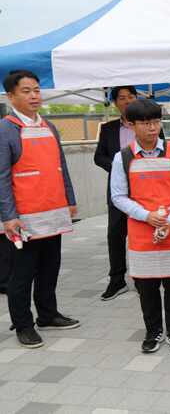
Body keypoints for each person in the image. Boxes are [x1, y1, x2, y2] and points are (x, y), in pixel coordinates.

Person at [0, 70, 80, 348]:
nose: (34, 95)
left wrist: (70, 199)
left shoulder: (49, 126)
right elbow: (1, 176)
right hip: (24, 219)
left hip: (53, 211)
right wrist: (8, 216)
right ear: (11, 96)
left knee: (50, 268)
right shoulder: (6, 129)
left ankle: (48, 314)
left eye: (36, 89)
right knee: (21, 275)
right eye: (26, 91)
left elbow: (61, 166)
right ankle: (23, 324)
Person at [110, 99, 170, 354]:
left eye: (156, 122)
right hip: (141, 233)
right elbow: (118, 196)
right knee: (146, 288)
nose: (152, 128)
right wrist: (146, 216)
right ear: (131, 125)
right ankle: (153, 331)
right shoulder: (122, 157)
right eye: (146, 123)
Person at [94, 86, 166, 301]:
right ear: (115, 102)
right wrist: (122, 167)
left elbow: (161, 152)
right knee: (116, 235)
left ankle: (144, 278)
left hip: (147, 190)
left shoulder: (151, 126)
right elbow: (99, 157)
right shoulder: (107, 129)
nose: (127, 101)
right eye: (122, 98)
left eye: (131, 97)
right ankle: (117, 280)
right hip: (119, 191)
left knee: (145, 232)